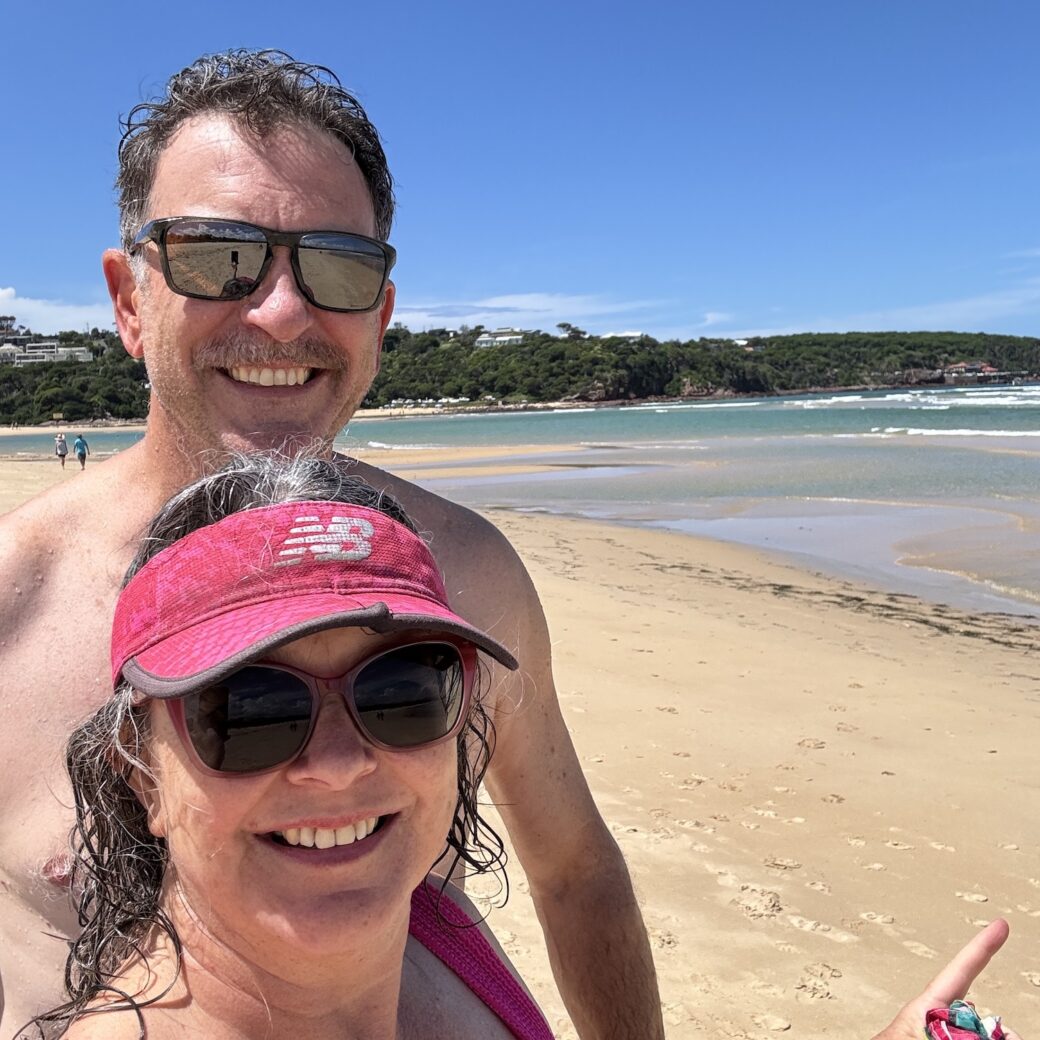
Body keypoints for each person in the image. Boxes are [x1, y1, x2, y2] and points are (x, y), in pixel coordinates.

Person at [0, 50, 662, 1039]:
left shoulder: (460, 570)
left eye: (337, 267)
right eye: (217, 257)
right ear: (130, 301)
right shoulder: (14, 598)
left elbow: (572, 868)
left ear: (380, 317)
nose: (280, 313)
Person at [22, 454, 552, 1040]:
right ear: (143, 770)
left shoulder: (448, 932)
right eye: (255, 710)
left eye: (401, 689)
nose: (338, 764)